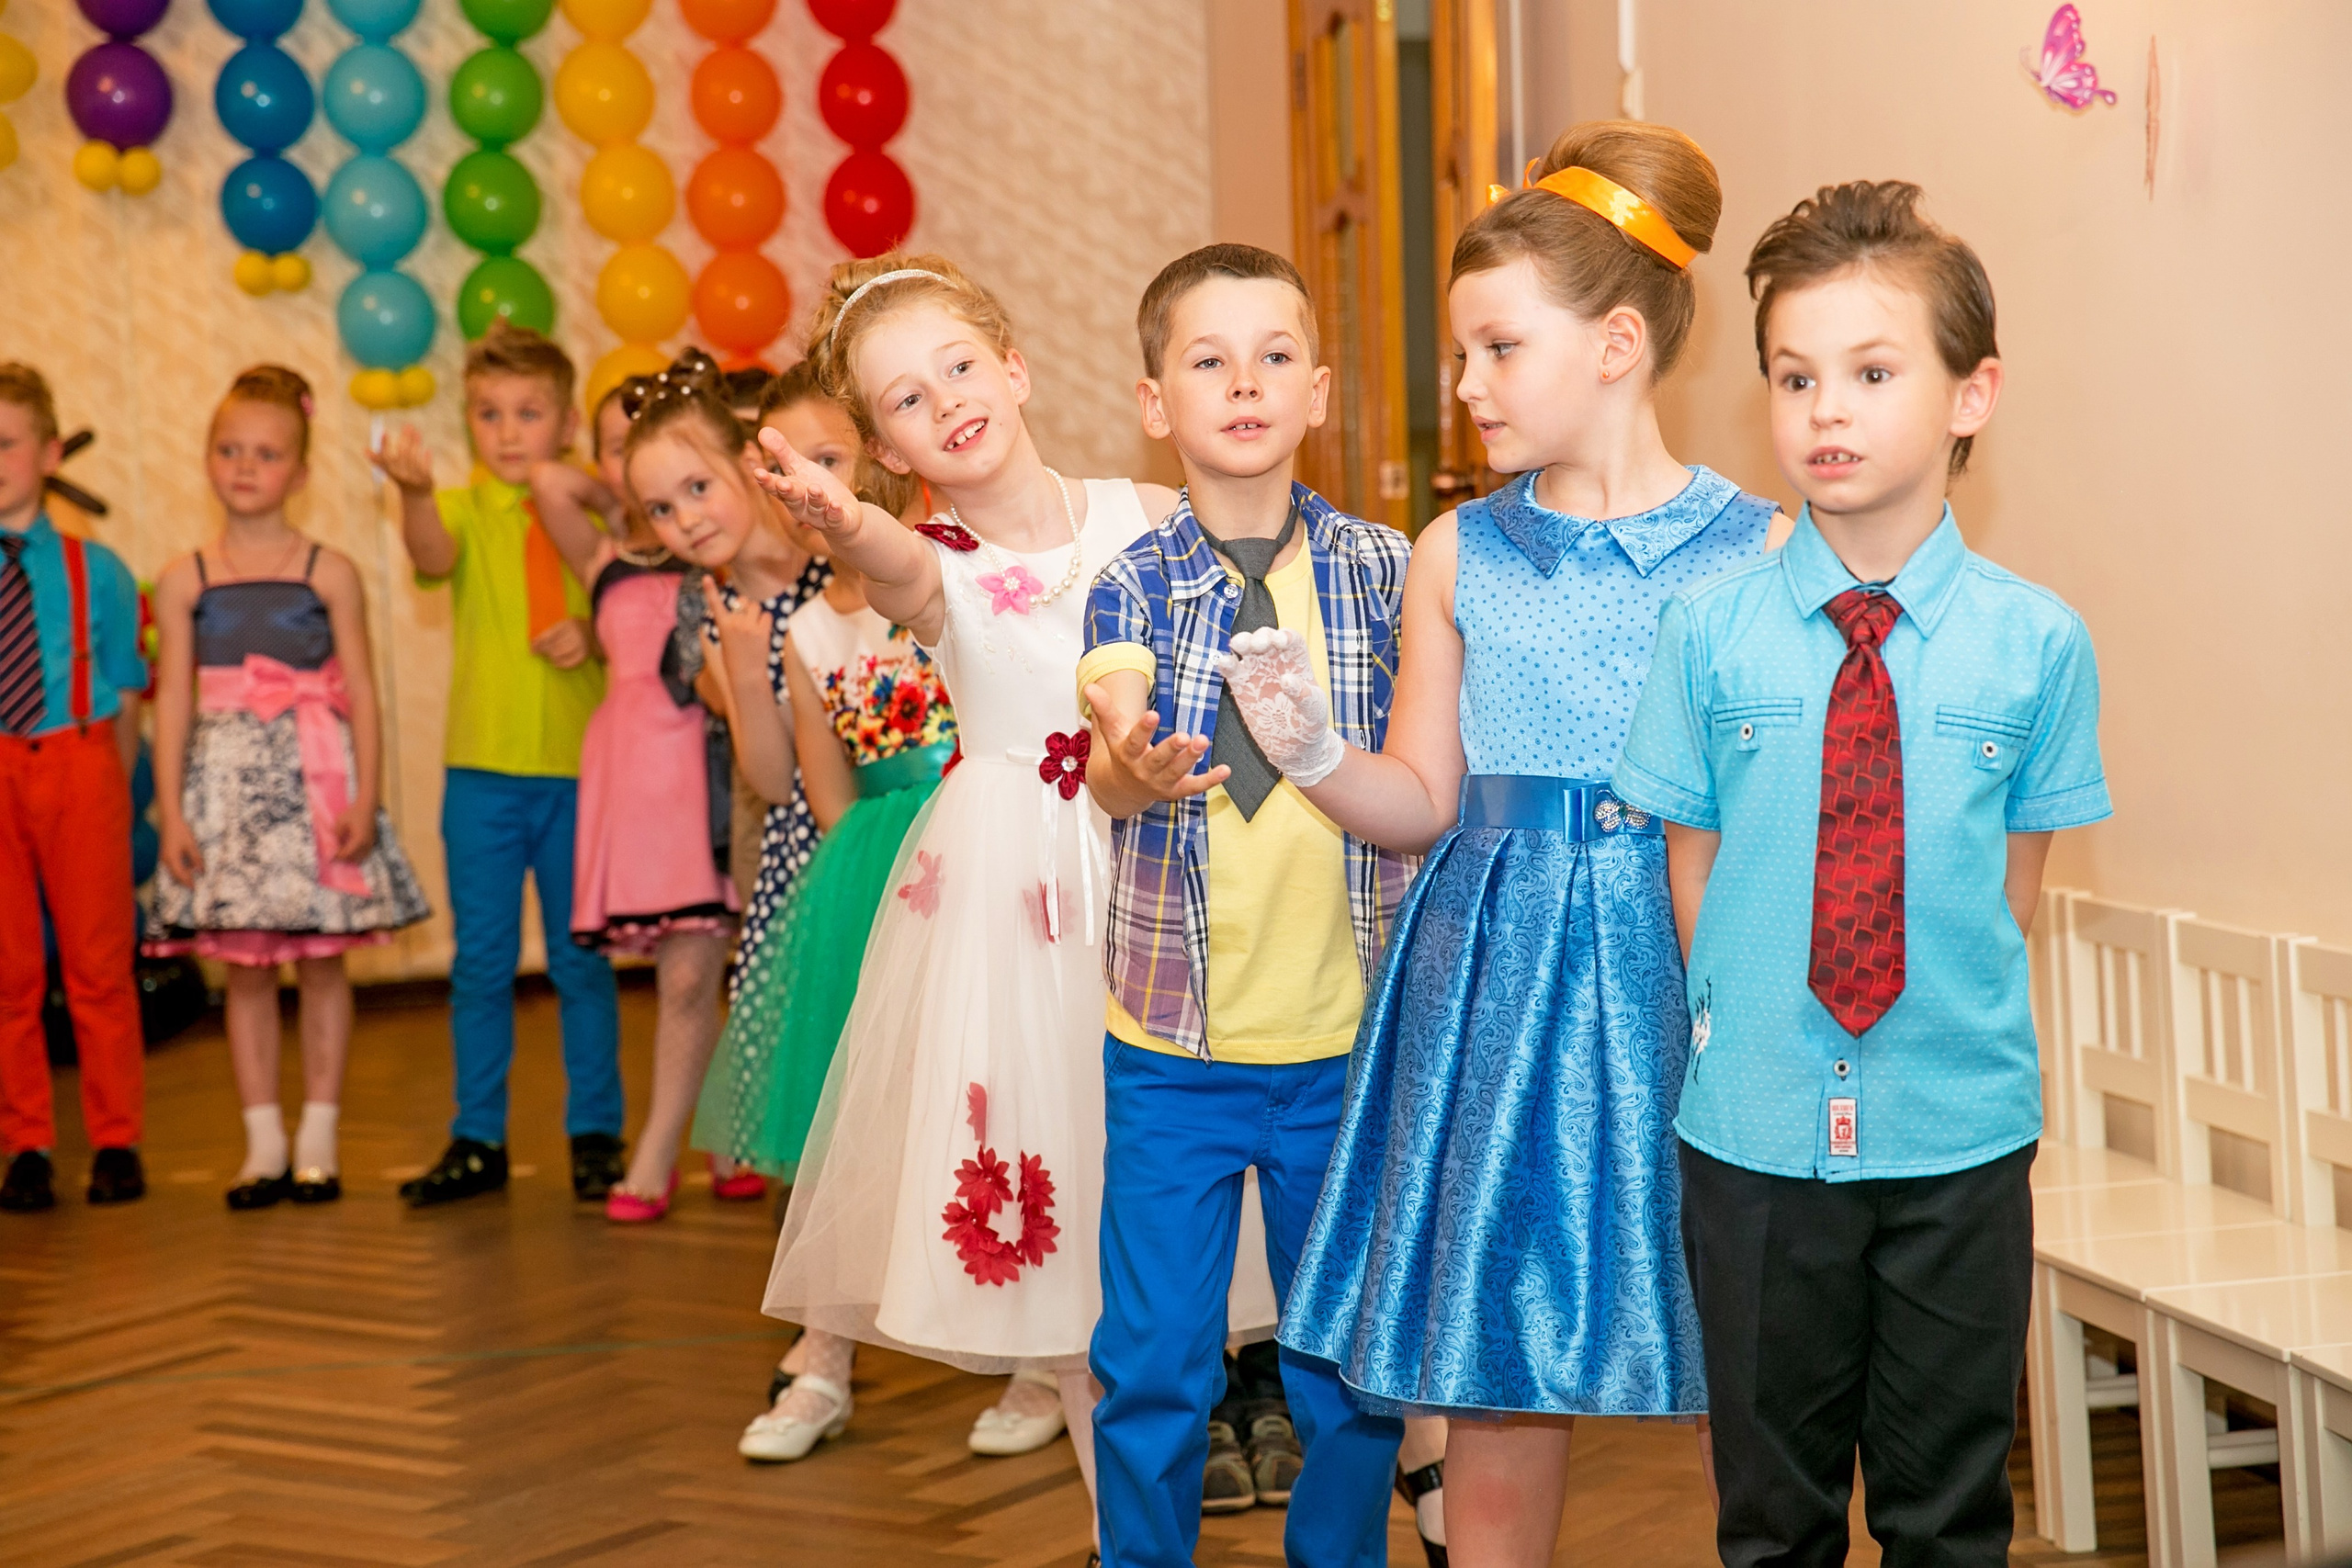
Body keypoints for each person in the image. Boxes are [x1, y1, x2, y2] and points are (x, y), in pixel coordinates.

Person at [1219, 123, 1790, 1563]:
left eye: (1495, 347)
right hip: (1500, 983)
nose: (1464, 384)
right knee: (1497, 1375)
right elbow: (1421, 794)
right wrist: (1312, 753)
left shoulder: (1761, 551)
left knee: (1751, 1355)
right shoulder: (1459, 550)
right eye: (1460, 353)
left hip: (1690, 964)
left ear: (1612, 344)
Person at [1614, 179, 2110, 1568]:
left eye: (1873, 373)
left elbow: (2007, 887)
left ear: (1973, 394)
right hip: (1758, 1133)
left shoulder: (2039, 645)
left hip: (1957, 1132)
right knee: (1771, 1513)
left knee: (1948, 1507)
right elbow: (1692, 870)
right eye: (1794, 376)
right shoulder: (1707, 638)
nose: (1825, 409)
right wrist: (1757, 1030)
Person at [744, 254, 1256, 1495]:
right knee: (1066, 1222)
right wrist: (837, 513)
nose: (947, 402)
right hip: (1021, 907)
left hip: (1173, 872)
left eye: (960, 367)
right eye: (905, 400)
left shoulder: (1148, 512)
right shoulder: (933, 563)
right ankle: (1125, 1518)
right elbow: (891, 559)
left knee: (1191, 1190)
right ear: (880, 444)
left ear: (1015, 369)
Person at [1076, 243, 1410, 1568]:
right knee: (1155, 1363)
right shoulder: (1134, 579)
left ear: (1318, 387)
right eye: (1207, 360)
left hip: (1347, 1045)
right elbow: (1110, 730)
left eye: (1275, 355)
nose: (1245, 383)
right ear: (1157, 401)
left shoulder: (1386, 571)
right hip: (1174, 1053)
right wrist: (1128, 762)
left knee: (1351, 1373)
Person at [146, 367, 429, 1209]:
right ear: (206, 459)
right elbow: (170, 703)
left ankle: (318, 1139)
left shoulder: (328, 571)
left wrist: (365, 796)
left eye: (266, 453)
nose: (244, 466)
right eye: (229, 449)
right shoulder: (185, 576)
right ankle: (262, 1143)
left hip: (316, 787)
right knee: (246, 972)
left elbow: (365, 692)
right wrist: (170, 814)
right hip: (226, 799)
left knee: (325, 966)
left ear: (299, 472)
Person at [374, 322, 624, 1207]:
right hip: (478, 776)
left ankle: (596, 1132)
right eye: (489, 413)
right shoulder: (459, 510)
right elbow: (429, 556)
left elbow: (632, 613)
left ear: (562, 425)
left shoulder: (593, 516)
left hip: (576, 773)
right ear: (468, 423)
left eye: (528, 412)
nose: (508, 430)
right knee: (479, 962)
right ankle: (477, 1136)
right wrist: (409, 493)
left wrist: (592, 632)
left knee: (580, 962)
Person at [526, 385, 739, 1222]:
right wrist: (626, 483)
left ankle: (657, 1152)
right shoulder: (604, 558)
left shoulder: (714, 545)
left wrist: (670, 481)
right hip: (627, 776)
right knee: (680, 972)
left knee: (693, 973)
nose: (625, 465)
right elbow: (549, 482)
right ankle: (730, 1143)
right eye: (615, 448)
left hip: (698, 773)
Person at [0, 363, 150, 1213]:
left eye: (6, 442)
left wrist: (110, 782)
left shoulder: (101, 571)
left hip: (80, 760)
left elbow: (127, 693)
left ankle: (116, 1138)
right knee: (9, 970)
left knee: (97, 964)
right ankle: (25, 1142)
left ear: (50, 452)